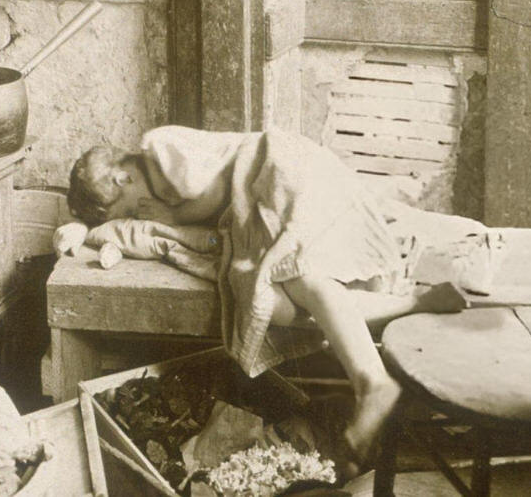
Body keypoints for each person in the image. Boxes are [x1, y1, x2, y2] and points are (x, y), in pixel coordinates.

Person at [66, 125, 471, 470]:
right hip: (261, 198)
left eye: (130, 209)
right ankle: (416, 306)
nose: (140, 215)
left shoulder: (159, 148)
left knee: (295, 268)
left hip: (283, 168)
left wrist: (174, 218)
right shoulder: (154, 185)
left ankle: (372, 381)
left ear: (122, 179)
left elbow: (211, 186)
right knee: (279, 304)